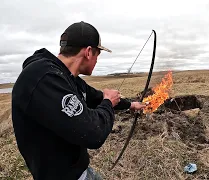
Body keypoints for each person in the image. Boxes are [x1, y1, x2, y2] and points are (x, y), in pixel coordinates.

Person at [11, 21, 146, 180]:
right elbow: (93, 133)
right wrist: (108, 102)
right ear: (89, 52)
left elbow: (95, 97)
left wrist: (130, 105)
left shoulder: (66, 77)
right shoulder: (44, 78)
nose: (97, 60)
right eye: (98, 54)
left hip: (79, 170)